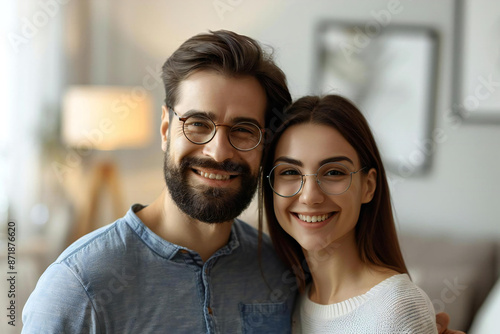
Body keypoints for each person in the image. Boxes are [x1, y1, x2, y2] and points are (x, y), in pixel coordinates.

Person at [22, 30, 461, 333]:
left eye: (243, 130)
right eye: (198, 123)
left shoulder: (282, 268)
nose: (218, 151)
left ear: (264, 143)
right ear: (164, 130)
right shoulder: (81, 284)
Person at [263, 94, 461, 333]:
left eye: (334, 172)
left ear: (368, 186)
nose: (309, 196)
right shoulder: (288, 299)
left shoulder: (398, 309)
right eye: (290, 172)